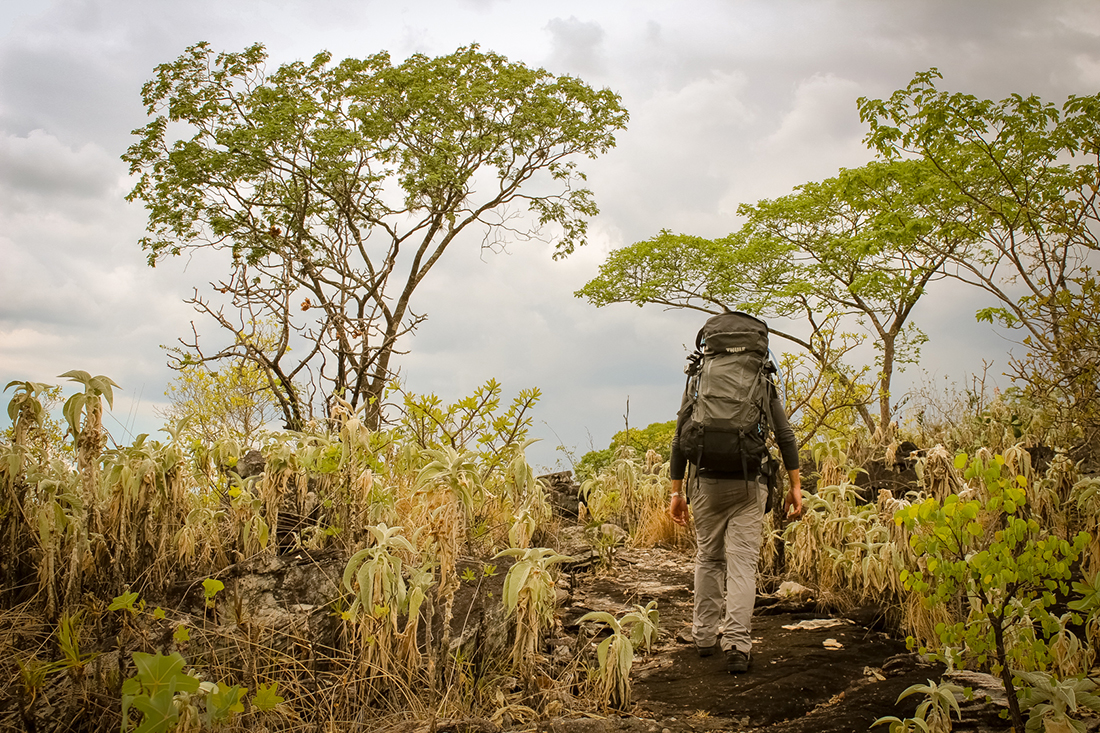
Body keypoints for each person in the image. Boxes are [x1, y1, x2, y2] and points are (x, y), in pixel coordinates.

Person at [668, 377, 802, 674]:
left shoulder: (700, 376)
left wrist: (676, 492)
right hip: (749, 482)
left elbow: (679, 439)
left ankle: (703, 637)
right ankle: (737, 647)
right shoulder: (760, 378)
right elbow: (784, 434)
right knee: (742, 565)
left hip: (705, 481)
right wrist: (795, 486)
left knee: (709, 558)